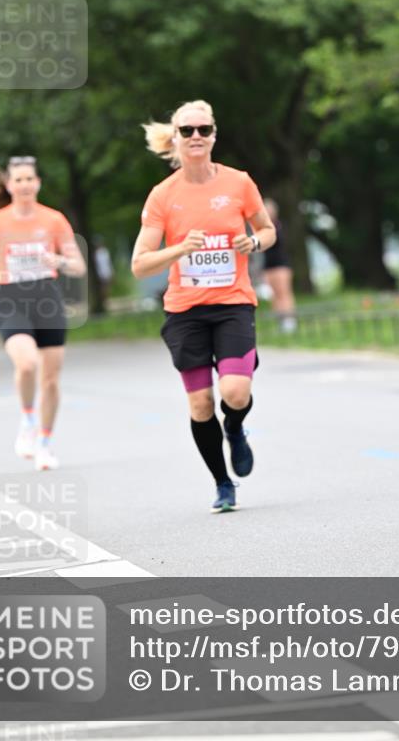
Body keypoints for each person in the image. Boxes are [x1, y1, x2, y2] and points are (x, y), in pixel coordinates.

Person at [131, 100, 276, 513]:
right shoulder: (163, 196)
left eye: (204, 130)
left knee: (234, 391)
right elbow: (140, 264)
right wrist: (179, 249)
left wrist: (253, 242)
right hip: (185, 311)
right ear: (175, 138)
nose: (196, 137)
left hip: (232, 302)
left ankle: (235, 429)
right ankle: (222, 483)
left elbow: (266, 230)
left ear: (214, 135)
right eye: (188, 130)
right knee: (199, 405)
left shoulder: (238, 183)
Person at [0, 153, 86, 469]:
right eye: (19, 179)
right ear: (9, 185)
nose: (25, 184)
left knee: (51, 380)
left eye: (30, 178)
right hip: (11, 299)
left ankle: (45, 443)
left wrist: (60, 262)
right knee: (27, 364)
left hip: (47, 297)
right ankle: (28, 418)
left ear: (37, 183)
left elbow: (78, 266)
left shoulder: (53, 219)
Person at [262, 198, 297, 334]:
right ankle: (280, 321)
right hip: (268, 266)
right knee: (274, 295)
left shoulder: (277, 226)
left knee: (284, 292)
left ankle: (289, 321)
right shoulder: (261, 229)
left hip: (281, 264)